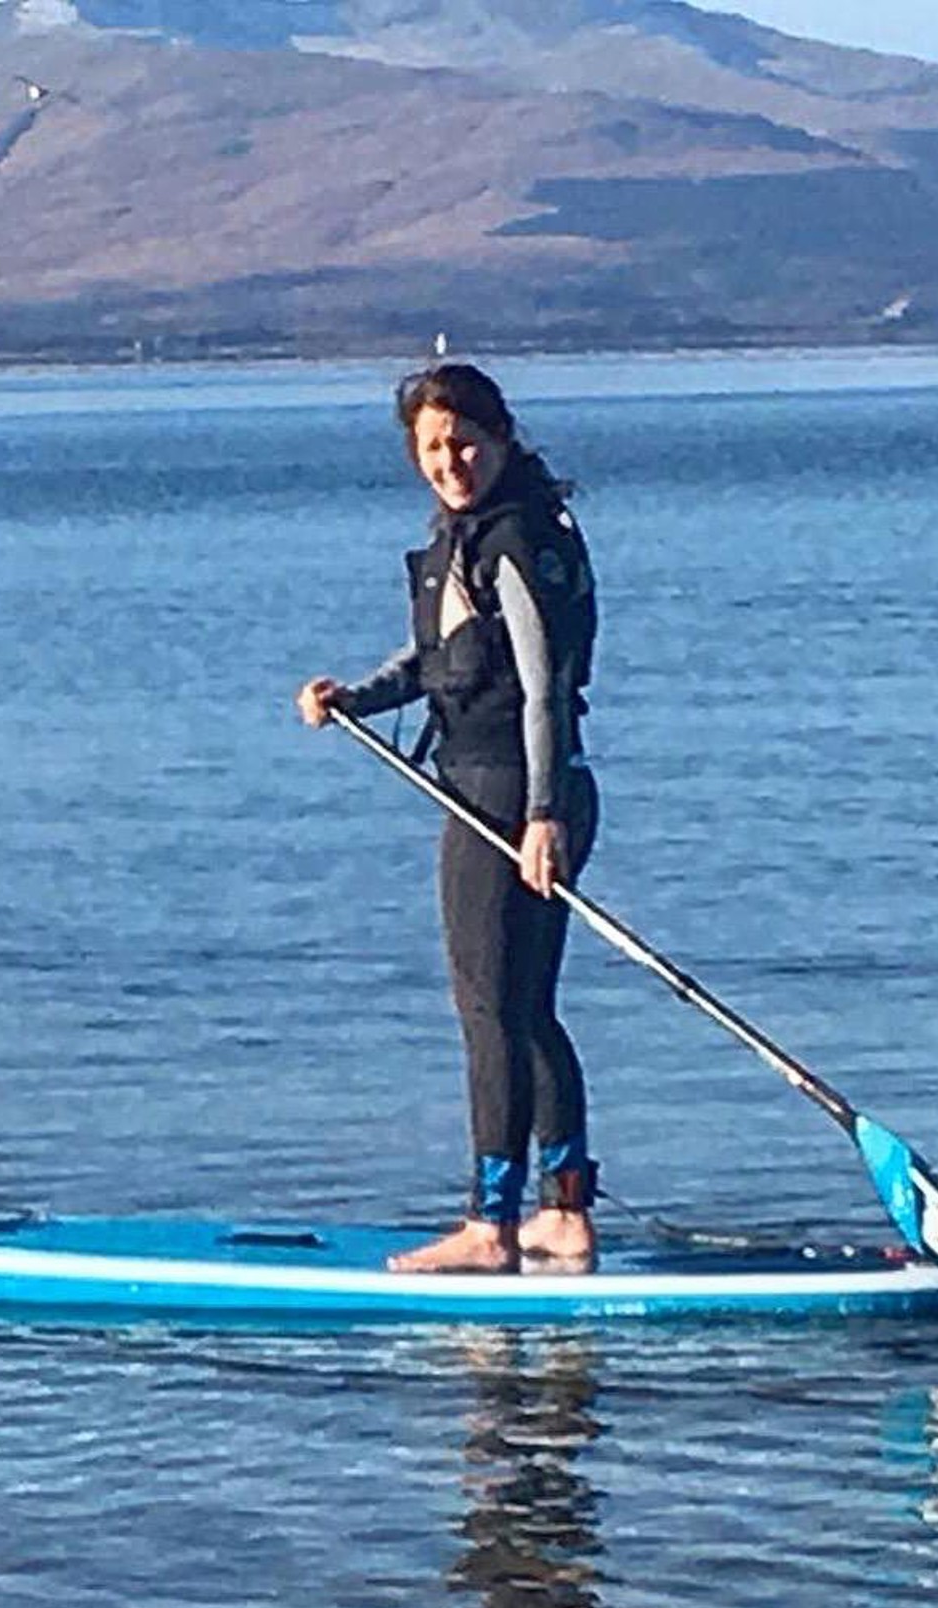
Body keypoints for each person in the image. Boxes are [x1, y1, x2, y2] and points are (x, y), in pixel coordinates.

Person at [298, 364, 600, 1274]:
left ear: (501, 435)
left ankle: (490, 1227)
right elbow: (442, 657)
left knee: (487, 1013)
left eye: (465, 439)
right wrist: (356, 693)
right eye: (432, 446)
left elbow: (542, 683)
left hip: (509, 795)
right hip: (515, 788)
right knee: (526, 1007)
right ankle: (566, 1212)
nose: (450, 459)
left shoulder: (511, 540)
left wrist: (541, 814)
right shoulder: (476, 538)